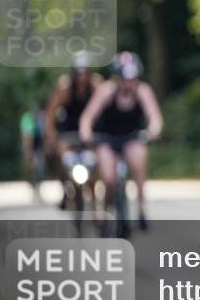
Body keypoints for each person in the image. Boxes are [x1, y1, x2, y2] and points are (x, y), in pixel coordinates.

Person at [79, 51, 163, 236]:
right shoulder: (107, 90)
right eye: (125, 78)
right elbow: (88, 117)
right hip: (107, 139)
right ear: (118, 77)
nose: (129, 82)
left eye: (132, 78)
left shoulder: (143, 90)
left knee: (139, 163)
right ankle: (106, 212)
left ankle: (141, 210)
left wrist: (153, 130)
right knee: (108, 178)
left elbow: (154, 117)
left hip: (132, 137)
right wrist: (86, 133)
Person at [45, 51, 104, 209]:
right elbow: (51, 113)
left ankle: (93, 195)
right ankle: (65, 187)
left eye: (85, 72)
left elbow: (105, 110)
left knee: (96, 160)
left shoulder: (97, 85)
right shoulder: (65, 87)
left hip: (91, 131)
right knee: (62, 158)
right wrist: (51, 136)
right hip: (68, 130)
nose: (82, 77)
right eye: (79, 73)